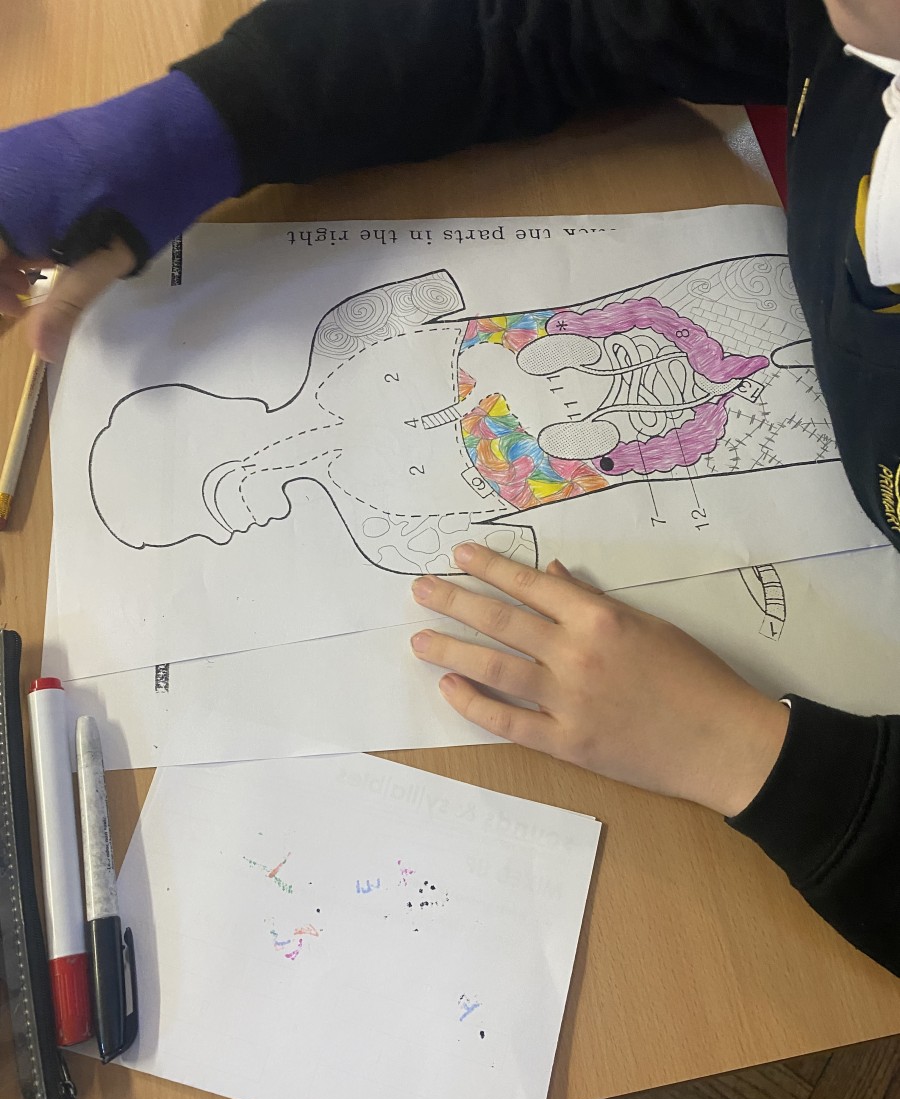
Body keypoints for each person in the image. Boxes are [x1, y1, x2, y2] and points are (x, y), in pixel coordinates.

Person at [1, 0, 897, 975]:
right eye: (218, 521)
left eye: (216, 490)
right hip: (692, 427)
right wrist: (193, 128)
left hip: (695, 403)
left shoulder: (354, 349)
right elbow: (555, 18)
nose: (245, 496)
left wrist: (745, 753)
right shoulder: (383, 527)